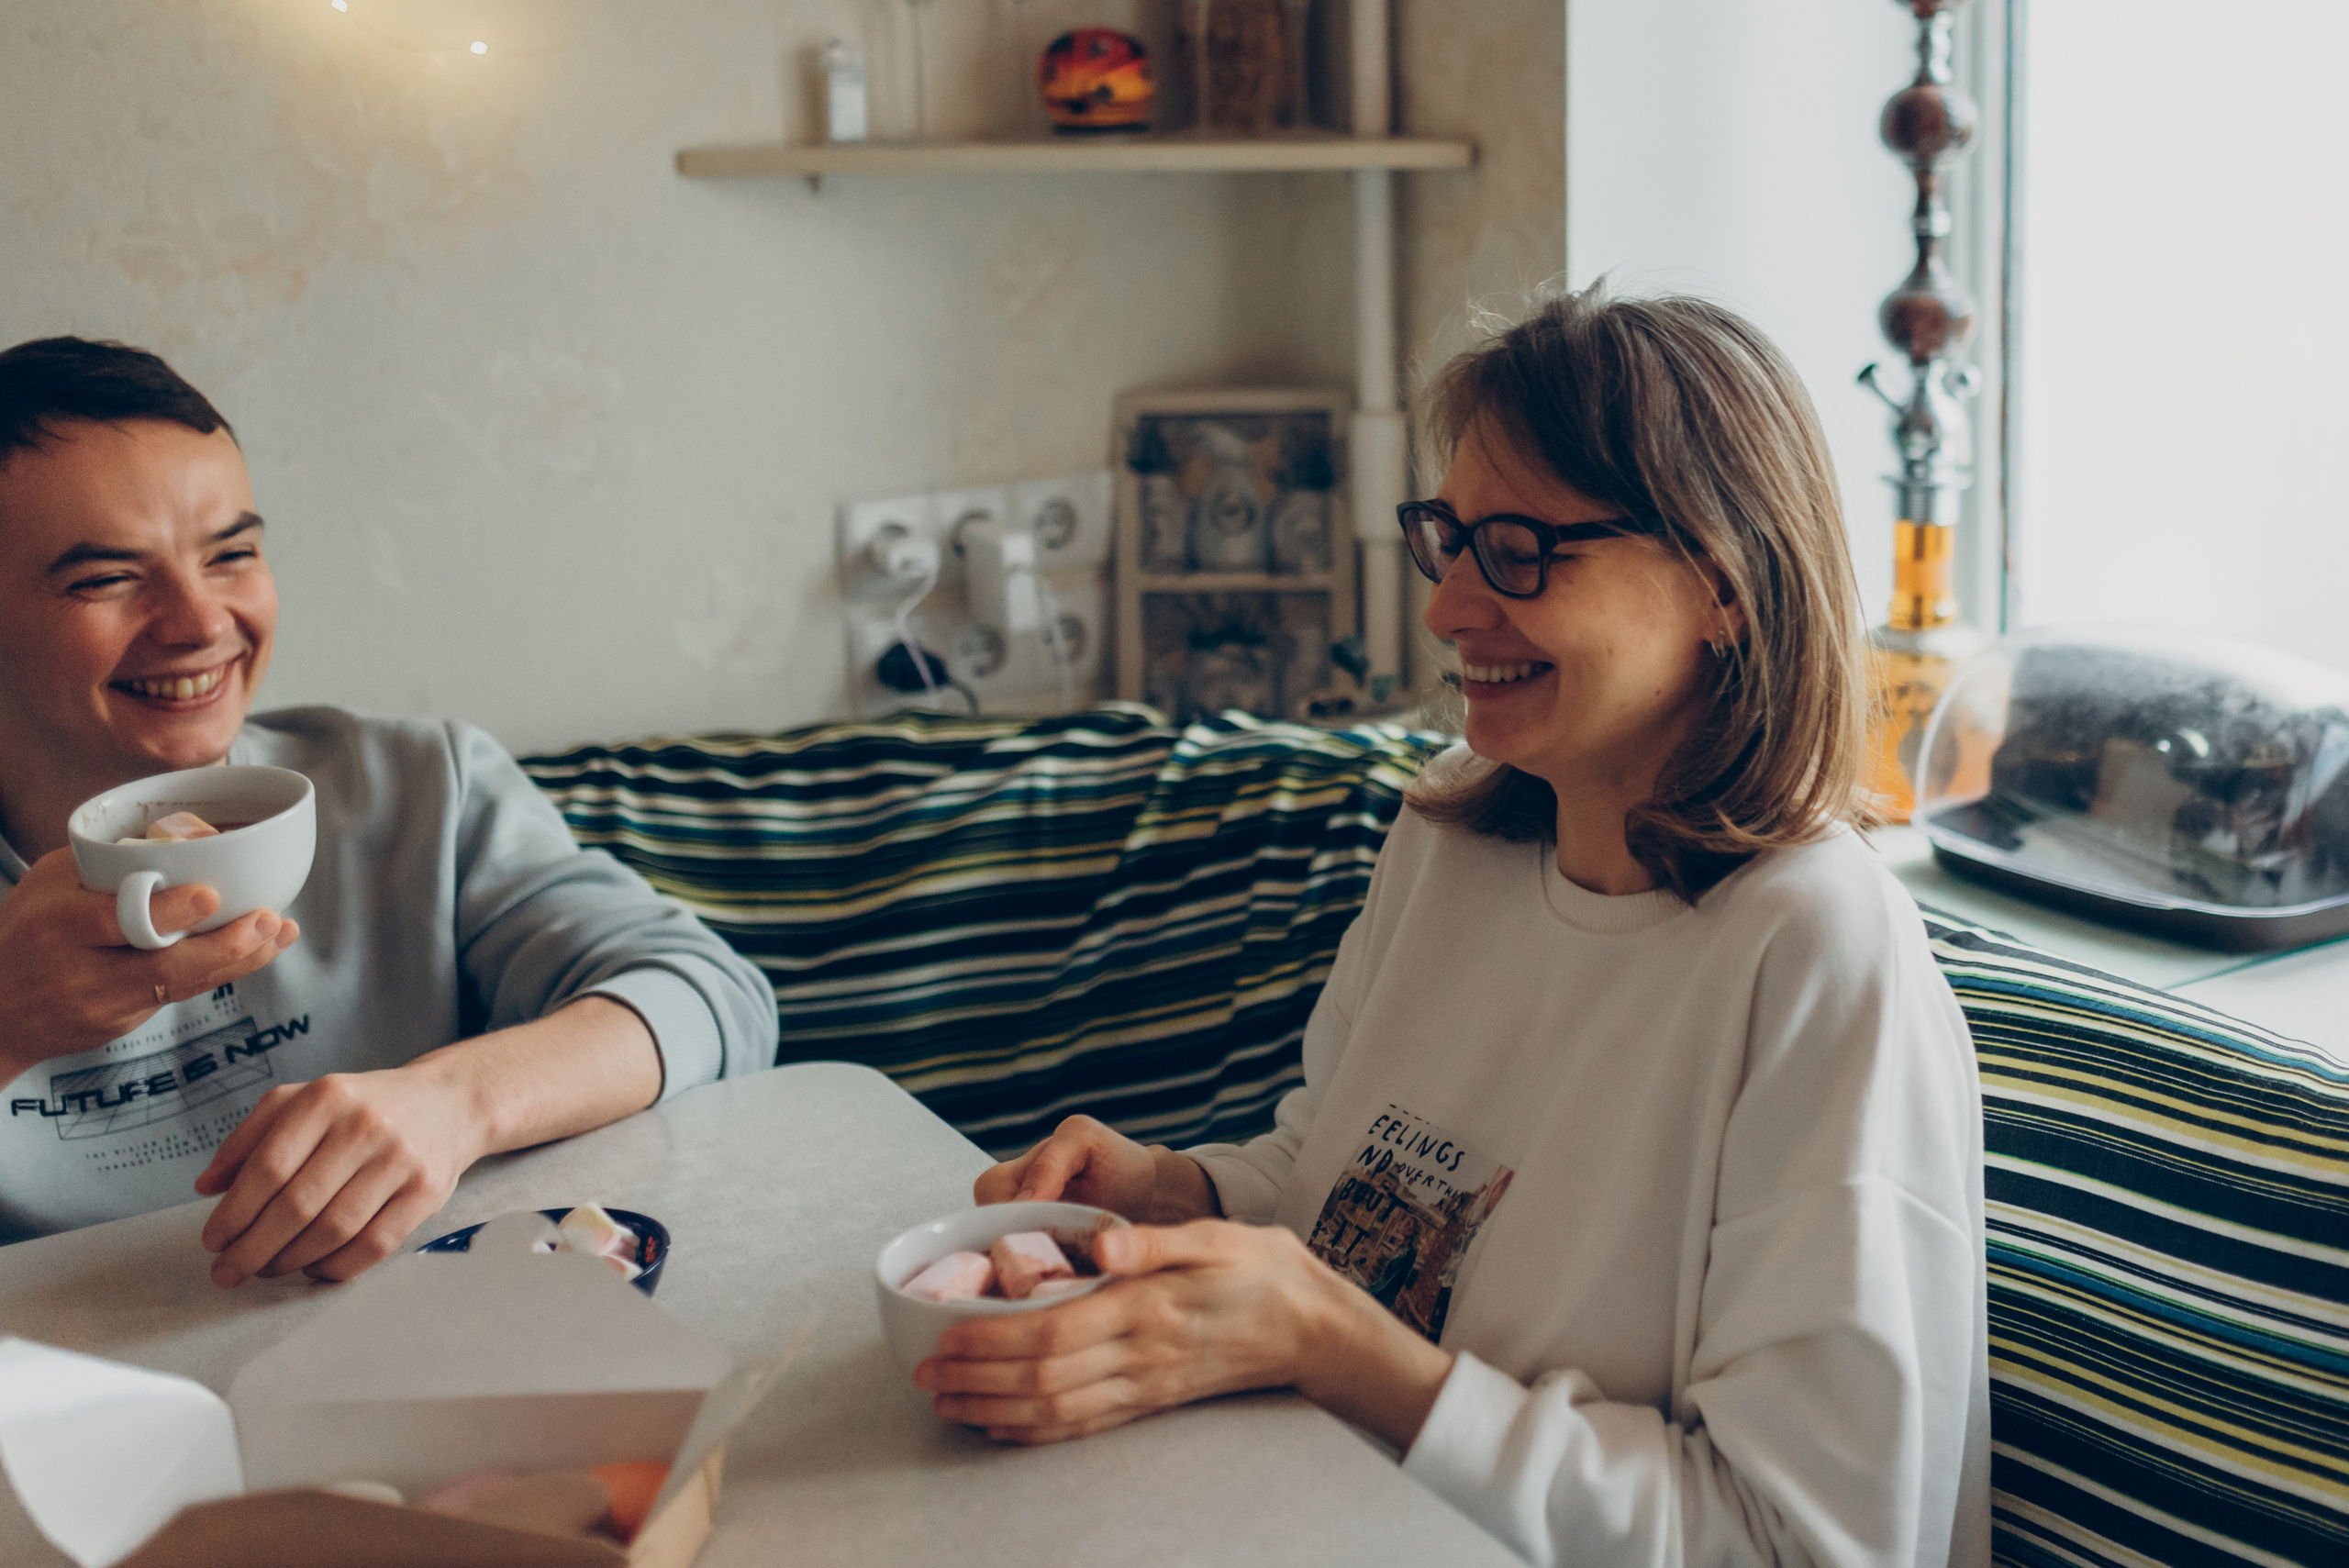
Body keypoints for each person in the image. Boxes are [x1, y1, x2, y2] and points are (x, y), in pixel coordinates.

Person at [917, 290, 1990, 1568]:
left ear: (1722, 582)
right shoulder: (1448, 839)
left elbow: (1802, 1542)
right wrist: (1170, 1188)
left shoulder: (1817, 958)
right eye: (1456, 539)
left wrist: (1341, 1348)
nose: (1449, 610)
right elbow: (1343, 1189)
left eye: (1525, 551)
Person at [0, 336, 778, 1281]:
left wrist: (454, 1101)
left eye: (232, 553)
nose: (201, 622)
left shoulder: (418, 786)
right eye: (106, 578)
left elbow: (709, 992)